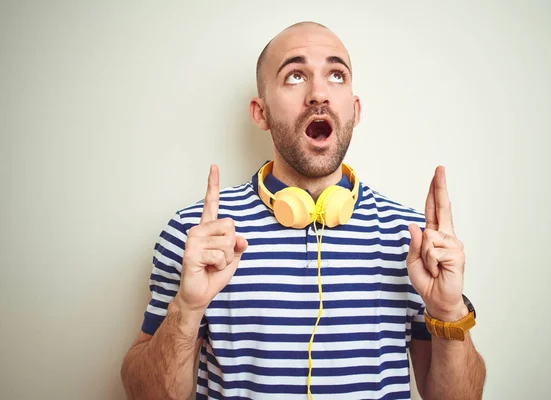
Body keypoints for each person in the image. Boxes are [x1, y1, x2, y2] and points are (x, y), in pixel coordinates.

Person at [120, 21, 486, 400]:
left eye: (336, 75)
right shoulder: (195, 235)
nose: (318, 94)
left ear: (355, 110)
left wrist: (448, 311)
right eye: (295, 76)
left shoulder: (411, 237)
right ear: (260, 112)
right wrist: (187, 308)